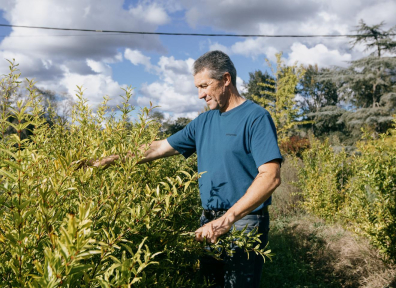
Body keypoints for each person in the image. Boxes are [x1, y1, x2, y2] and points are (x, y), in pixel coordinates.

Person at [92, 50, 282, 288]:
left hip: (244, 222)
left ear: (226, 79)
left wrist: (227, 219)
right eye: (197, 88)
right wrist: (108, 160)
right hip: (208, 221)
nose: (200, 94)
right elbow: (158, 148)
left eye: (204, 86)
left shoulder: (255, 117)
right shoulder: (204, 121)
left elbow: (271, 177)